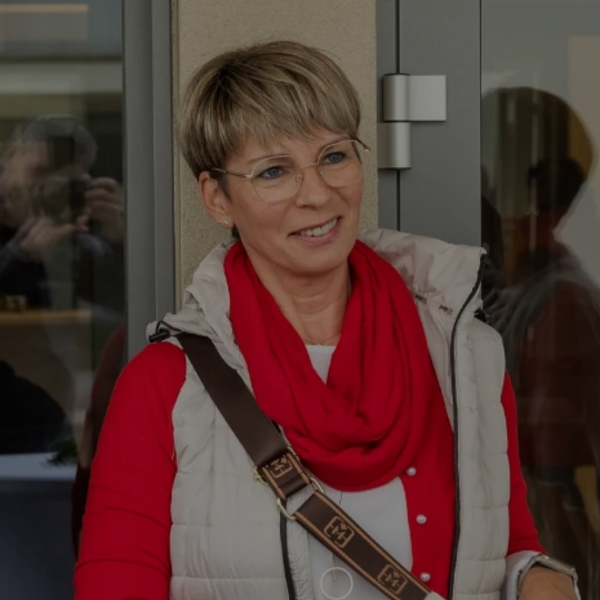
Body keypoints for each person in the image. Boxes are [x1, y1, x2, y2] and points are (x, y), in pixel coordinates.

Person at [74, 41, 579, 600]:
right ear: (217, 198)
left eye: (335, 156)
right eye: (274, 171)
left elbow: (506, 543)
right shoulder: (163, 385)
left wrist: (537, 575)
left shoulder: (466, 355)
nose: (317, 194)